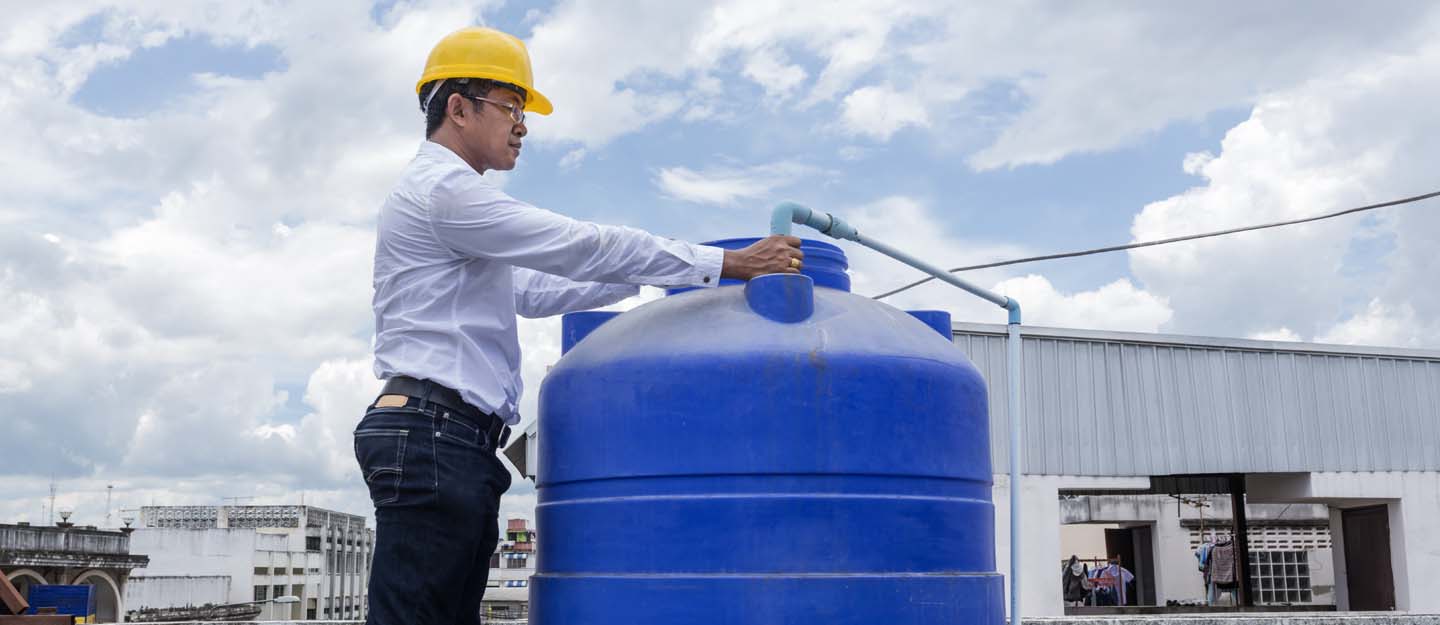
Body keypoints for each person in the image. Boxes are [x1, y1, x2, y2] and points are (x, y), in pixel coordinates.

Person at [353, 27, 804, 625]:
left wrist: (661, 278)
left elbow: (534, 290)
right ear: (457, 109)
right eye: (511, 106)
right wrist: (726, 263)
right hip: (434, 435)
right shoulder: (445, 192)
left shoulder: (453, 212)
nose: (523, 125)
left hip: (446, 438)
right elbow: (581, 245)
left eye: (524, 111)